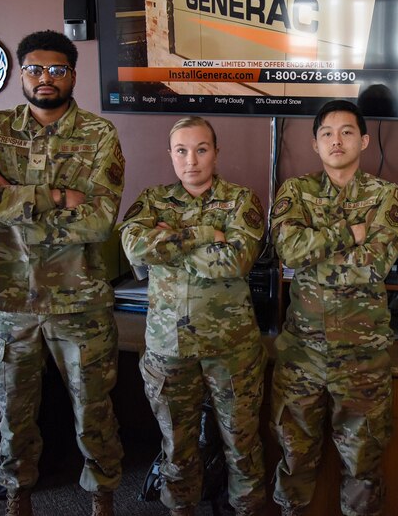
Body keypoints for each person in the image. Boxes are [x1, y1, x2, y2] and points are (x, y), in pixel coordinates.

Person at [0, 30, 125, 516]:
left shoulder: (98, 135)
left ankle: (104, 495)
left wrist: (8, 192)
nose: (44, 78)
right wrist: (52, 196)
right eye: (34, 68)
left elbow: (96, 221)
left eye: (56, 70)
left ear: (73, 74)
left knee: (94, 407)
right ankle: (17, 494)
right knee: (12, 408)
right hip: (13, 296)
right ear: (19, 72)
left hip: (81, 299)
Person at [120, 116, 267, 516]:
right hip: (170, 349)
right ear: (170, 155)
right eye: (181, 150)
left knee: (243, 448)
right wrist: (207, 236)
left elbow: (236, 261)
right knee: (177, 448)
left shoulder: (241, 200)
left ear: (216, 153)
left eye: (201, 149)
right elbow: (135, 249)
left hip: (231, 351)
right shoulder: (152, 200)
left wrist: (169, 240)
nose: (191, 160)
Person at [270, 99, 398, 516]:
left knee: (363, 464)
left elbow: (376, 265)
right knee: (295, 456)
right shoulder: (295, 190)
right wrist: (351, 232)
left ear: (364, 140)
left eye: (347, 131)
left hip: (361, 357)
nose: (336, 140)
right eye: (327, 133)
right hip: (302, 354)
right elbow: (290, 250)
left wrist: (319, 250)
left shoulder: (387, 195)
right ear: (314, 144)